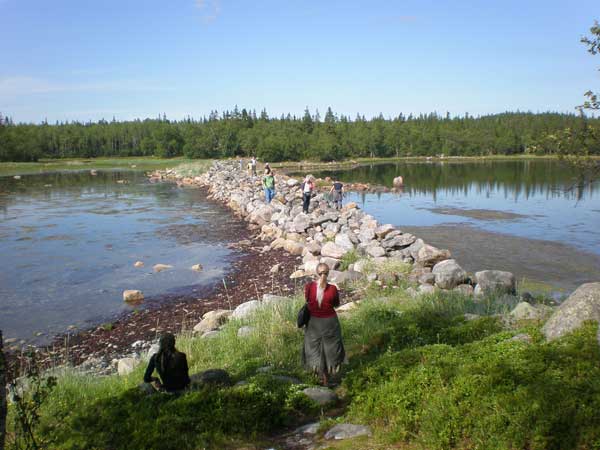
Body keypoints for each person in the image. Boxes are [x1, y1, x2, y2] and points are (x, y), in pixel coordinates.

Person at [302, 263, 345, 386]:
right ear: (328, 273)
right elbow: (336, 304)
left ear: (316, 273)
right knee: (330, 350)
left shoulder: (309, 287)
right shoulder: (332, 289)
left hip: (314, 322)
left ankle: (319, 378)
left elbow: (308, 301)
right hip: (330, 322)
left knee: (315, 349)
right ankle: (328, 378)